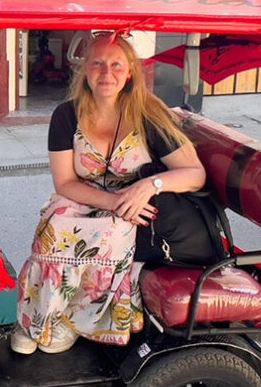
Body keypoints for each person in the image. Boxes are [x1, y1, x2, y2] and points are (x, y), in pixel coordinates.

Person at [12, 33, 206, 354]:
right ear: (84, 71)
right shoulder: (66, 115)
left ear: (129, 72)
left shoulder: (147, 115)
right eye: (97, 64)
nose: (107, 73)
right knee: (55, 223)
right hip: (83, 196)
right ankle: (40, 315)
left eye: (116, 64)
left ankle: (75, 320)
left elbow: (194, 173)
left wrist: (150, 185)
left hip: (133, 202)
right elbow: (64, 183)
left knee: (113, 231)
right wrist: (110, 201)